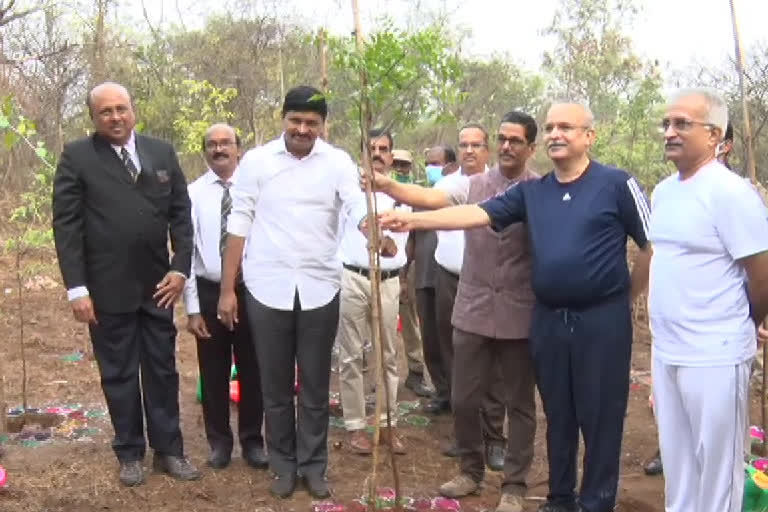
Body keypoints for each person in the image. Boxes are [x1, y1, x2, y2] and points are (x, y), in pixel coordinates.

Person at [379, 101, 652, 512]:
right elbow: (475, 213)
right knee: (558, 413)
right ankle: (560, 499)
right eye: (552, 127)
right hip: (547, 320)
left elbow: (653, 244)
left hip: (601, 322)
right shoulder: (531, 193)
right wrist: (414, 222)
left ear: (588, 137)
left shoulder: (617, 184)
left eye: (567, 127)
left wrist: (625, 298)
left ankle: (595, 502)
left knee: (600, 417)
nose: (558, 134)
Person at [372, 111, 540, 512]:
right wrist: (389, 184)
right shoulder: (475, 184)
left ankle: (514, 485)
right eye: (502, 138)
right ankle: (470, 468)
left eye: (516, 140)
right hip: (473, 306)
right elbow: (432, 198)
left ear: (531, 147)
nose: (507, 146)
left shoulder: (541, 191)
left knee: (518, 402)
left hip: (520, 311)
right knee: (463, 397)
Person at [217, 85, 372, 499]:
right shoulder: (256, 162)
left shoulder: (338, 162)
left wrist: (371, 230)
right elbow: (239, 224)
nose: (303, 129)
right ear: (283, 119)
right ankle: (283, 466)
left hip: (320, 286)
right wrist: (228, 289)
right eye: (296, 121)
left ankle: (314, 466)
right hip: (267, 288)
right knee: (275, 386)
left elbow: (356, 204)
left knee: (317, 385)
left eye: (312, 123)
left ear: (323, 125)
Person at [52, 82, 200, 486]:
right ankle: (130, 452)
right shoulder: (77, 157)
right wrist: (77, 289)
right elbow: (66, 227)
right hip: (106, 290)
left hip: (159, 286)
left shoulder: (160, 152)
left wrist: (180, 267)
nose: (115, 117)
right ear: (93, 118)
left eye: (121, 109)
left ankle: (169, 449)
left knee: (162, 369)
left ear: (133, 110)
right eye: (106, 112)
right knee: (118, 373)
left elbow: (182, 217)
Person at [648, 88, 768, 512]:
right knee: (679, 468)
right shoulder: (663, 192)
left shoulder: (732, 193)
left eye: (682, 124)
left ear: (715, 134)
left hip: (715, 352)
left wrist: (746, 323)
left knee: (718, 472)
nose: (670, 132)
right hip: (667, 351)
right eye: (667, 123)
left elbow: (760, 274)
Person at [182, 123, 267, 471]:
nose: (219, 150)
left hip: (252, 289)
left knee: (254, 369)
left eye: (225, 143)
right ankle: (219, 443)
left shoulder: (256, 191)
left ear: (238, 148)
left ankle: (252, 441)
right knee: (213, 371)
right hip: (207, 289)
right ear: (204, 151)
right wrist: (191, 308)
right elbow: (185, 253)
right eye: (212, 144)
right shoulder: (192, 194)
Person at [337, 130, 409, 455]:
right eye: (372, 148)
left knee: (387, 355)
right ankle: (355, 426)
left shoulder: (403, 196)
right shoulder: (347, 192)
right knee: (351, 355)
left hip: (388, 280)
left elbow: (397, 247)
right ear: (362, 154)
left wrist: (386, 244)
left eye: (384, 149)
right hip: (352, 278)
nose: (378, 154)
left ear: (392, 156)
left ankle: (386, 422)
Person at [413, 145, 457, 416]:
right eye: (427, 163)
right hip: (422, 277)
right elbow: (409, 238)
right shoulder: (419, 197)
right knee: (430, 340)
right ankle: (443, 392)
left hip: (448, 278)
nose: (430, 168)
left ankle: (459, 397)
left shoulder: (458, 194)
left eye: (436, 163)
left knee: (452, 341)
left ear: (450, 165)